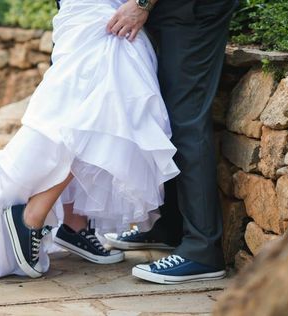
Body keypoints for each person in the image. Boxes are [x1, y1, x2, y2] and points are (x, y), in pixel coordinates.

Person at [0, 0, 180, 279]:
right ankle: (32, 216)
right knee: (95, 120)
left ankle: (74, 224)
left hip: (91, 14)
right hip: (102, 17)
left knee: (86, 116)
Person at [105, 0, 238, 284]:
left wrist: (142, 3)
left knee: (185, 120)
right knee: (161, 117)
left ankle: (202, 251)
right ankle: (170, 228)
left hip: (190, 9)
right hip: (164, 10)